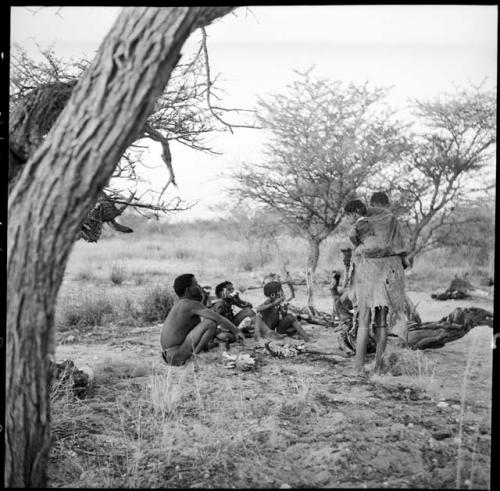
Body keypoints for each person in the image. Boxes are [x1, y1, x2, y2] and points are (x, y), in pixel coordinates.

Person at [344, 199, 407, 374]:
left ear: (355, 212)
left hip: (369, 272)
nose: (348, 219)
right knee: (381, 322)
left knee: (363, 321)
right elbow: (402, 251)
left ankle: (357, 367)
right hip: (389, 274)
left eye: (348, 216)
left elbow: (354, 240)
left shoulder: (360, 224)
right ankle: (379, 367)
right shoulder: (390, 220)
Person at [160, 274, 245, 366]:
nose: (199, 287)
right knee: (211, 322)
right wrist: (236, 331)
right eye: (196, 285)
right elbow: (217, 318)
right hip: (176, 356)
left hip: (168, 355)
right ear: (188, 290)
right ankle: (194, 356)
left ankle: (197, 351)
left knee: (217, 331)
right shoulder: (190, 304)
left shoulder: (179, 303)